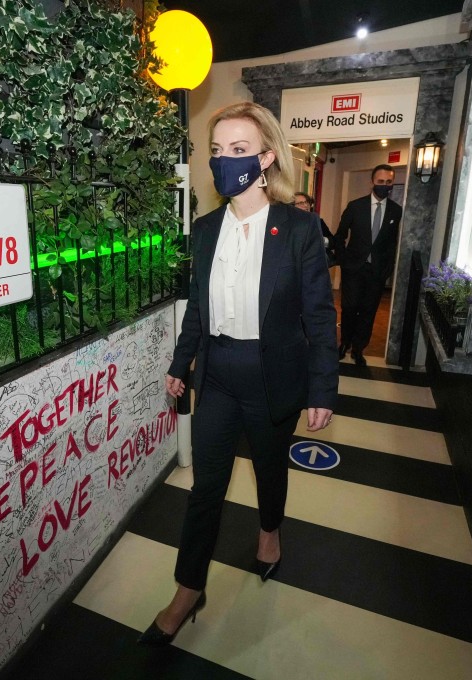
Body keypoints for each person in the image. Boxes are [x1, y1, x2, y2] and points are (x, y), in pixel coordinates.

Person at [139, 102, 338, 647]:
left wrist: (323, 387)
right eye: (218, 151)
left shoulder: (298, 229)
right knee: (207, 487)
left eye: (240, 150)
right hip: (220, 373)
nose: (226, 162)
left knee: (271, 469)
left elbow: (319, 315)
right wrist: (182, 364)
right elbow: (198, 311)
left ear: (267, 157)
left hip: (273, 374)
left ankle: (269, 531)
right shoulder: (205, 230)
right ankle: (187, 590)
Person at [333, 165, 402, 367]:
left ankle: (358, 349)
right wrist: (343, 259)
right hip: (353, 269)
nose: (384, 186)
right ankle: (344, 344)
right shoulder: (355, 206)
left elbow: (392, 243)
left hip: (377, 273)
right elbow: (340, 235)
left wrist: (387, 269)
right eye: (380, 182)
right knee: (349, 307)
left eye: (388, 182)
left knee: (368, 311)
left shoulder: (396, 211)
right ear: (372, 182)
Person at [293, 191, 335, 266]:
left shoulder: (318, 221)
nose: (306, 205)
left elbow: (333, 242)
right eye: (300, 203)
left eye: (307, 202)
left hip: (316, 265)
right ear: (292, 206)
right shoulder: (287, 224)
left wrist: (322, 240)